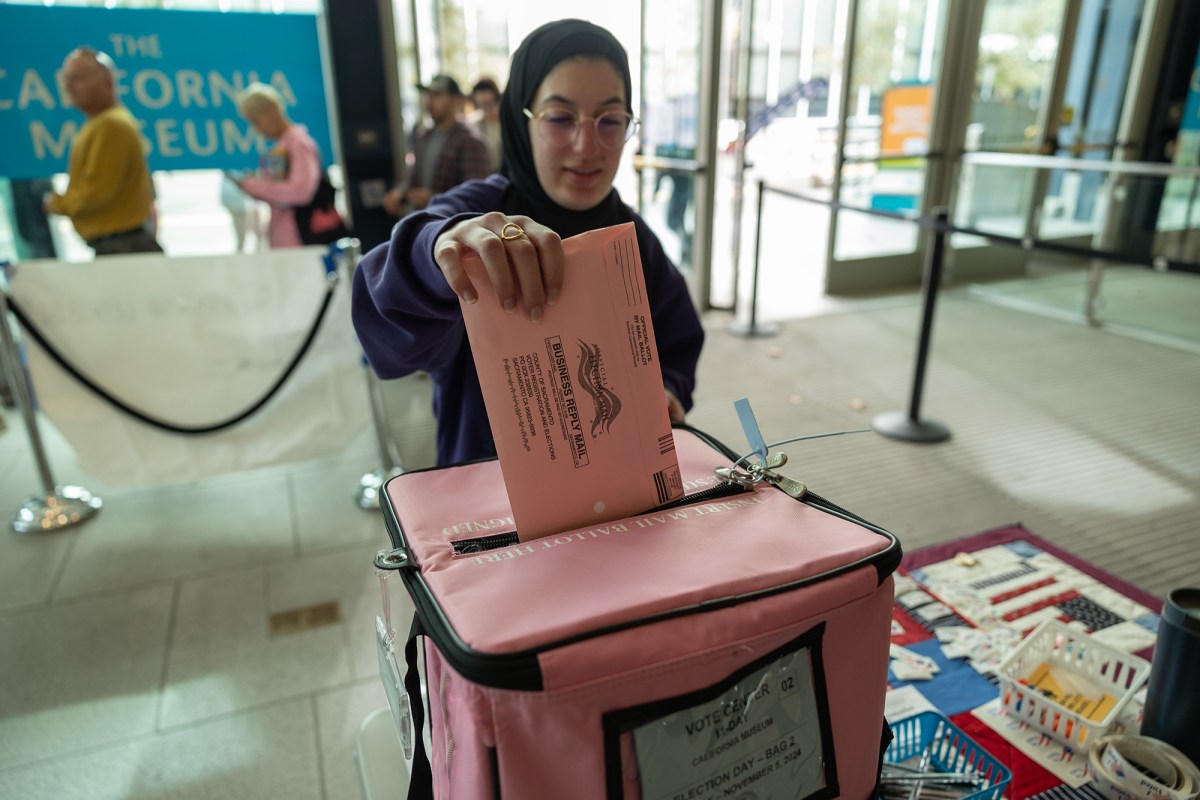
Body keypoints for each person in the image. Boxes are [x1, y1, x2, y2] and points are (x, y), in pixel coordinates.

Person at [352, 19, 705, 466]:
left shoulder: (631, 237)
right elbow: (385, 325)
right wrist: (438, 253)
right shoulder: (479, 211)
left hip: (616, 483)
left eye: (611, 120)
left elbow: (676, 341)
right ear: (521, 119)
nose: (587, 145)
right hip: (489, 496)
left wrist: (667, 390)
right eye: (559, 118)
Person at [44, 47, 163, 257]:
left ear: (108, 82)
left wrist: (58, 204)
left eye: (77, 78)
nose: (68, 86)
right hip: (120, 246)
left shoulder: (111, 125)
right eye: (66, 79)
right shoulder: (103, 123)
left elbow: (96, 194)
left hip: (123, 247)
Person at [230, 82, 327, 249]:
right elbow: (281, 191)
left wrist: (253, 185)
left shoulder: (299, 144)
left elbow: (300, 192)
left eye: (256, 120)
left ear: (272, 109)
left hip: (301, 240)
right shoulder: (283, 145)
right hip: (286, 239)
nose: (256, 129)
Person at [381, 74, 492, 217]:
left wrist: (433, 198)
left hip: (453, 228)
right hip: (424, 223)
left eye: (437, 95)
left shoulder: (470, 141)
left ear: (455, 100)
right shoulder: (423, 137)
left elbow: (477, 197)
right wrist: (401, 194)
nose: (429, 102)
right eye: (428, 95)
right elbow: (414, 181)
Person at [469, 77, 503, 170]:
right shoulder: (474, 126)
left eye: (489, 104)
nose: (486, 110)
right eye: (482, 105)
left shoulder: (506, 124)